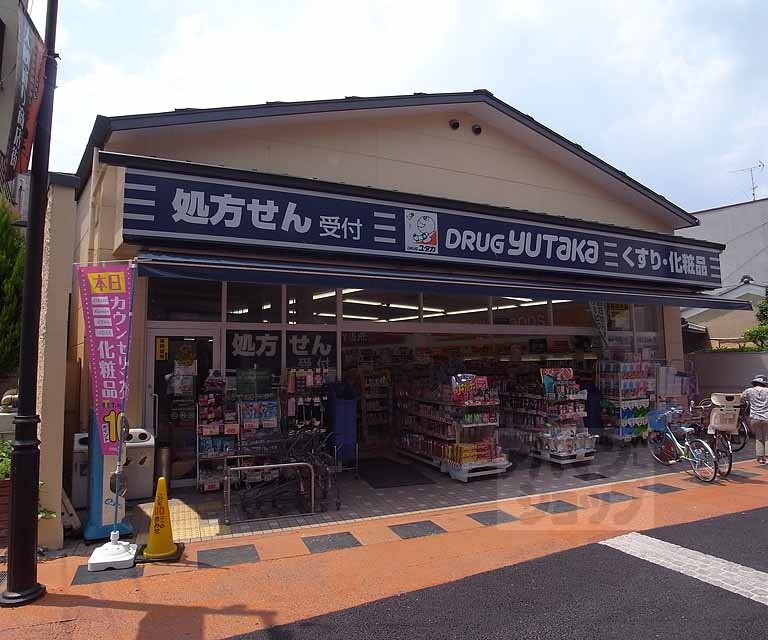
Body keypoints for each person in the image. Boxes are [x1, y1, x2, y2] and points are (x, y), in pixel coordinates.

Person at [742, 374, 768, 464]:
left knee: (759, 438)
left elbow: (741, 398)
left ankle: (760, 458)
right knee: (767, 438)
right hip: (767, 417)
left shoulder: (749, 391)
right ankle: (767, 458)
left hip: (755, 417)